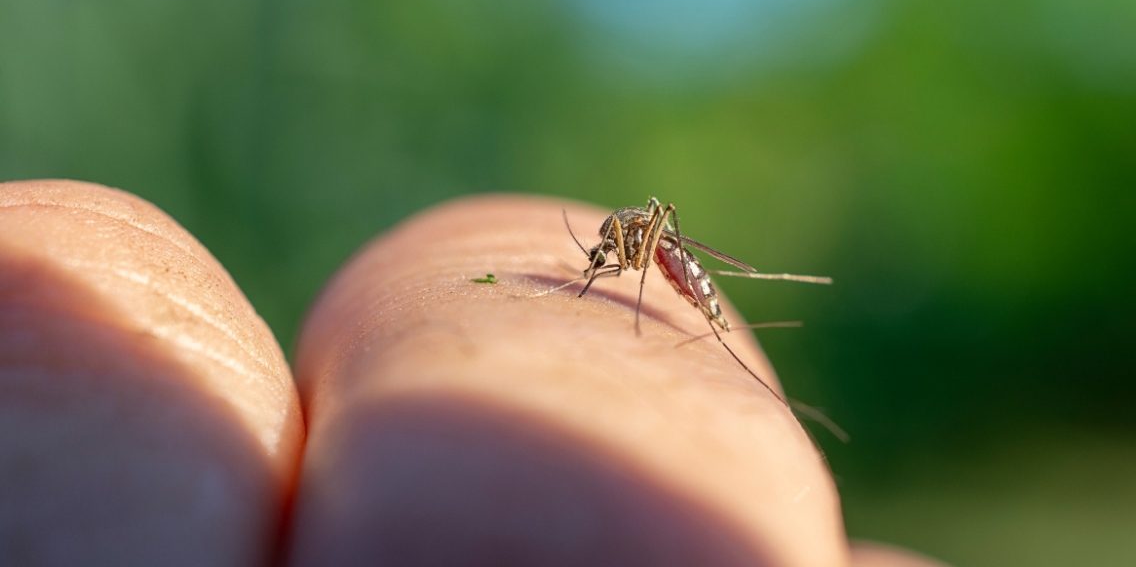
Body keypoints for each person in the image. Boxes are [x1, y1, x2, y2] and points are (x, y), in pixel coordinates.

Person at [0, 179, 943, 566]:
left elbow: (638, 231)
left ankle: (735, 293)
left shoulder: (634, 253)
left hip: (668, 268)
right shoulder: (598, 255)